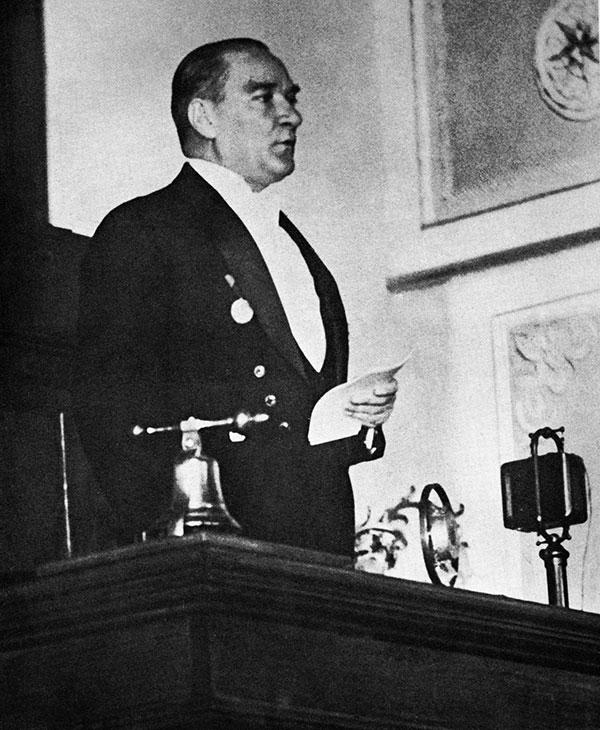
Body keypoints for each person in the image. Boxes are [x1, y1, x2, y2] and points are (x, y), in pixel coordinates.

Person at [73, 38, 397, 557]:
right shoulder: (143, 231)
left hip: (319, 555)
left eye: (290, 97)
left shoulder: (292, 243)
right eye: (263, 97)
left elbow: (295, 412)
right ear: (204, 116)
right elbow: (112, 415)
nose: (291, 115)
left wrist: (349, 415)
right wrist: (174, 551)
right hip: (214, 558)